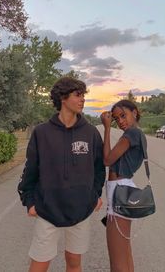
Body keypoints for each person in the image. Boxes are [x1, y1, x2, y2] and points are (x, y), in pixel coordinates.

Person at [18, 77, 105, 272]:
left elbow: (99, 168)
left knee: (74, 262)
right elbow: (30, 169)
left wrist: (95, 195)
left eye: (83, 95)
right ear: (63, 98)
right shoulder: (42, 132)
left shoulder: (91, 133)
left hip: (81, 209)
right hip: (48, 208)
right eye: (78, 95)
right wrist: (29, 201)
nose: (83, 99)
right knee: (39, 263)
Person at [100, 99, 147, 272]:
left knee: (117, 262)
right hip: (123, 189)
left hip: (119, 192)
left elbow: (107, 160)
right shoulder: (138, 134)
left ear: (134, 112)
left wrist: (106, 128)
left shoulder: (131, 134)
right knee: (125, 254)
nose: (120, 121)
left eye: (123, 115)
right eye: (116, 119)